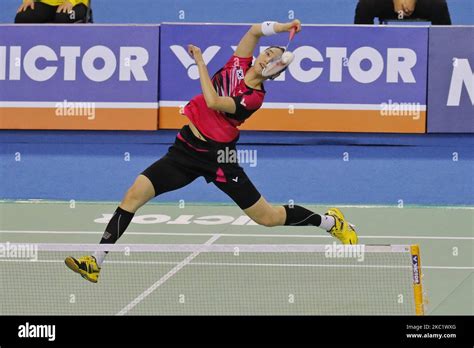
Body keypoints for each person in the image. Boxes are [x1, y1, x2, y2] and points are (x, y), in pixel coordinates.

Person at [64, 19, 359, 283]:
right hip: (184, 150)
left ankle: (331, 222)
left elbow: (215, 102)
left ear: (275, 69)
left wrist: (201, 63)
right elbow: (255, 30)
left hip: (219, 159)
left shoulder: (254, 98)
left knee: (267, 217)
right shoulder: (237, 64)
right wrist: (283, 28)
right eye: (267, 51)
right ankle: (96, 261)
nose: (265, 54)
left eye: (272, 56)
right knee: (133, 195)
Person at [354, 0, 452, 25]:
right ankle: (362, 47)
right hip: (390, 4)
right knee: (365, 5)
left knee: (439, 5)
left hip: (418, 3)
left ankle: (445, 50)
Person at [15, 0, 90, 24]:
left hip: (76, 4)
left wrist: (70, 2)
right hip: (47, 3)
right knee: (23, 17)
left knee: (62, 17)